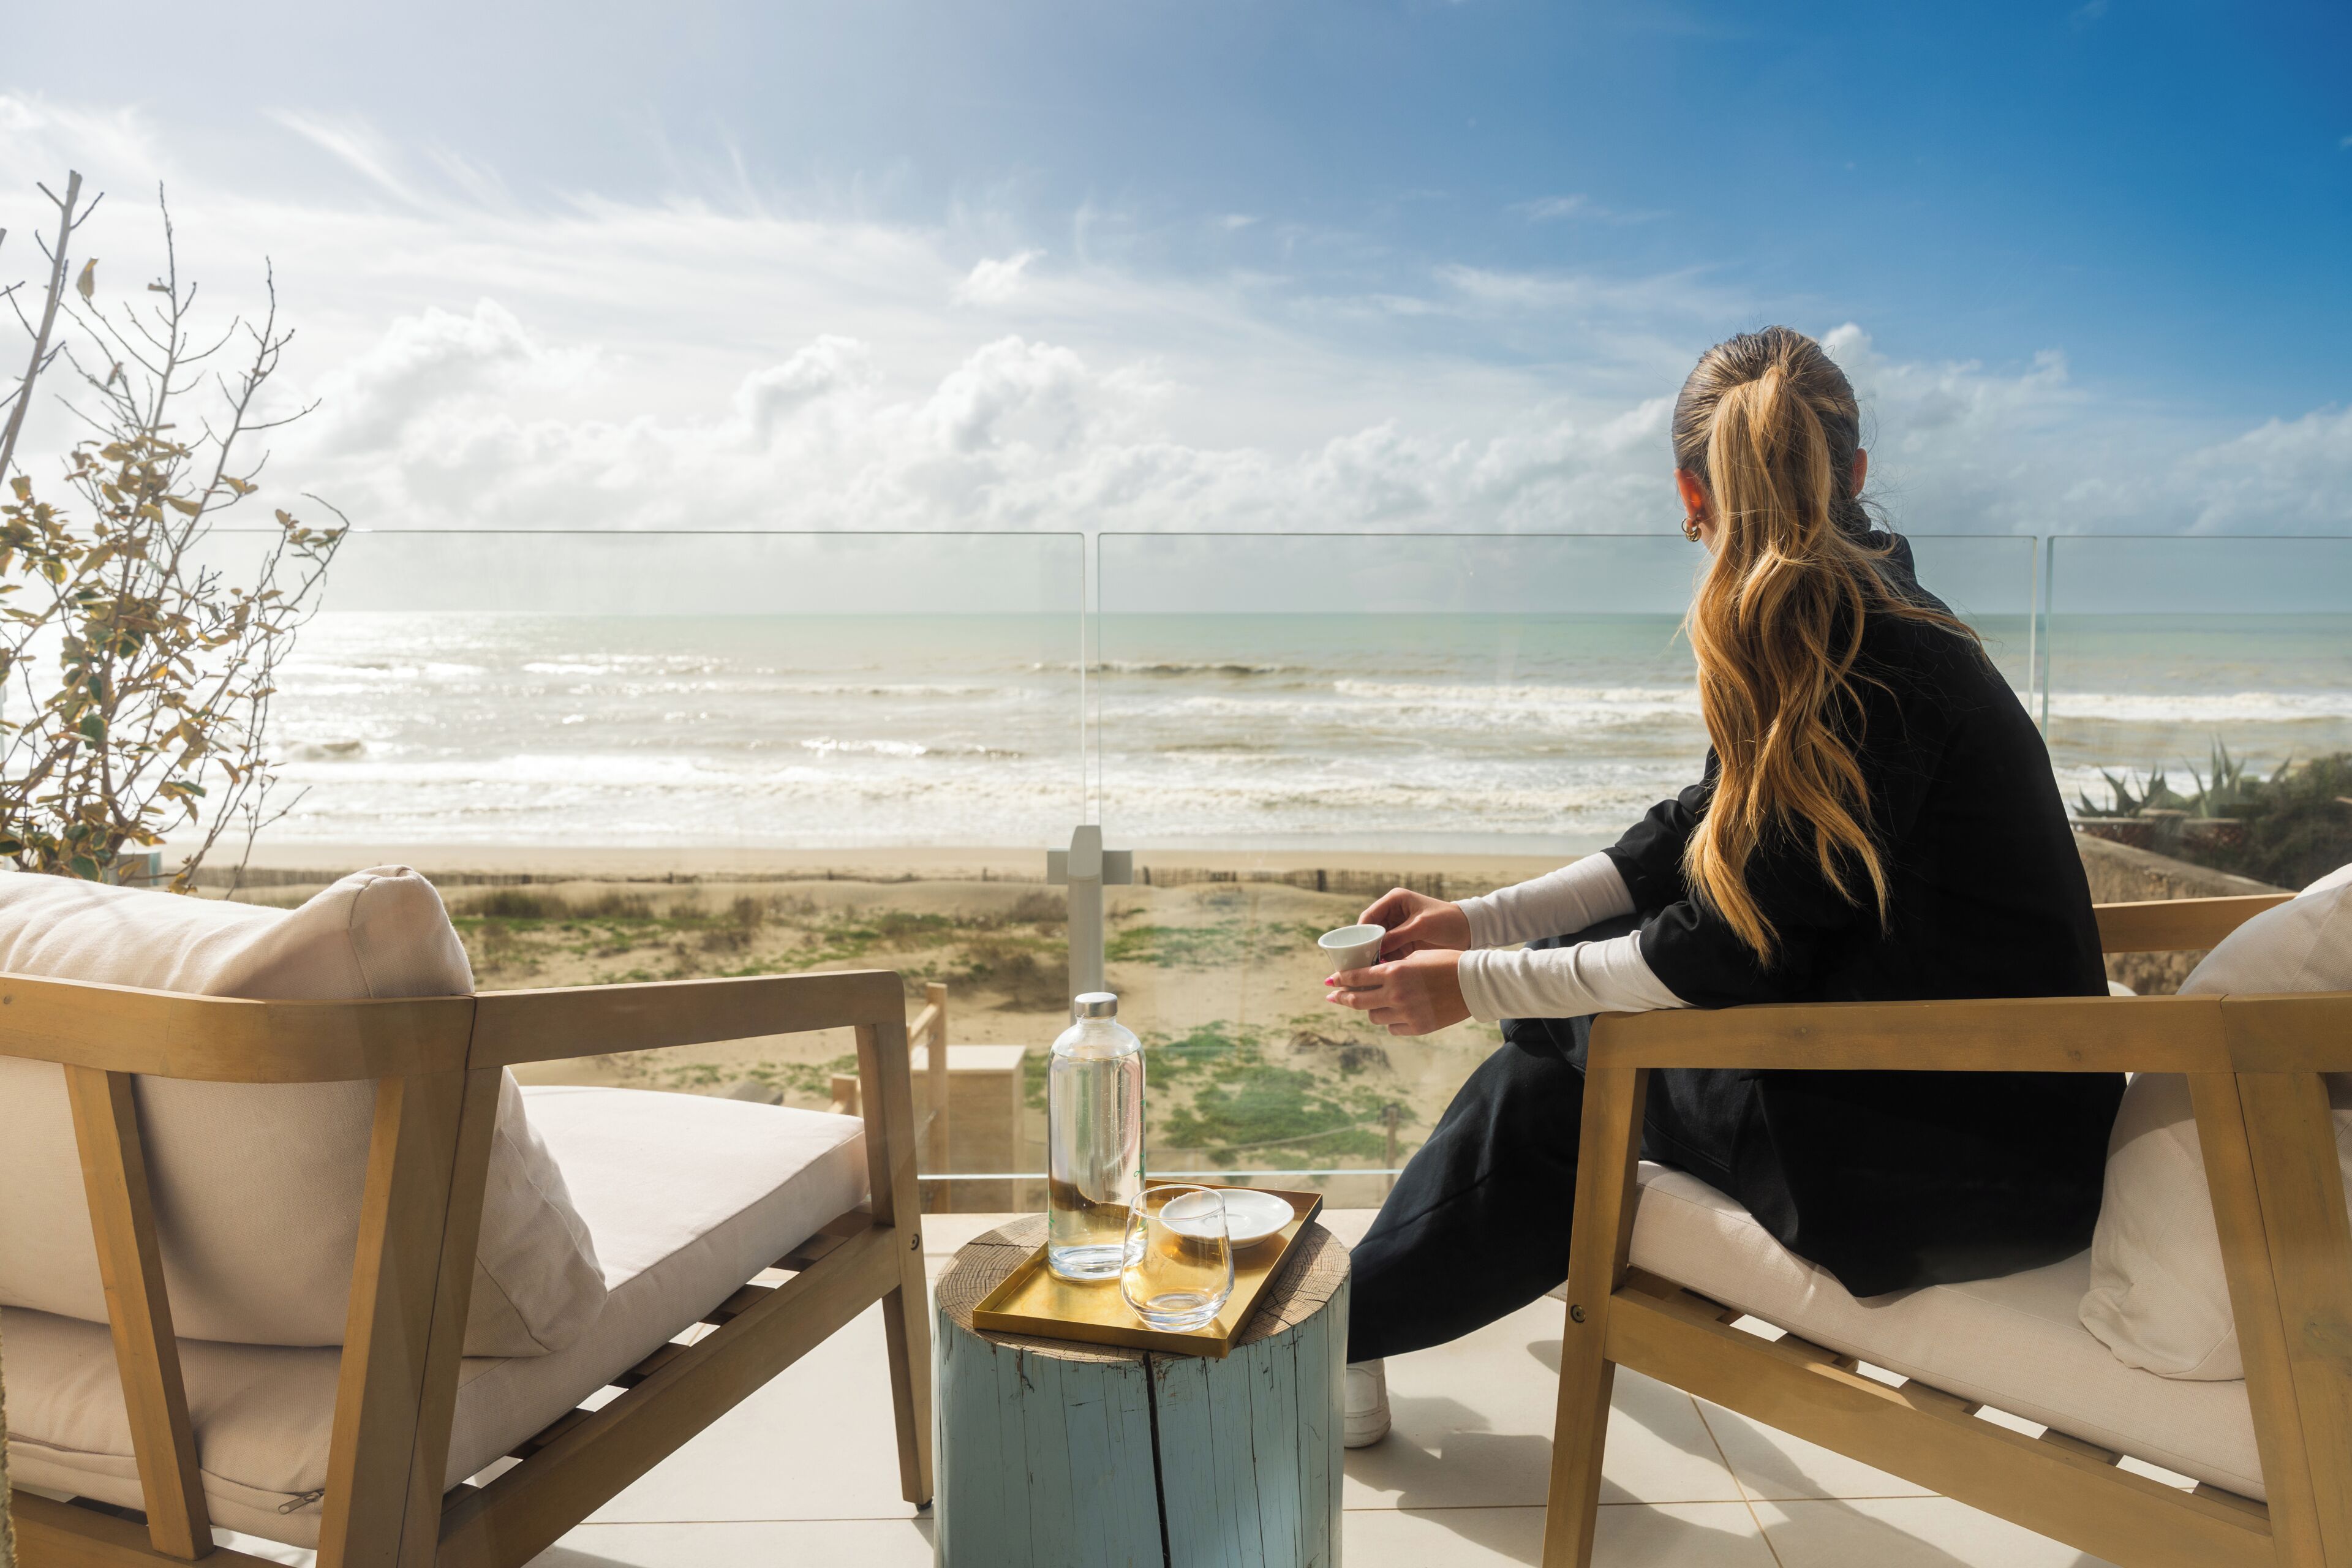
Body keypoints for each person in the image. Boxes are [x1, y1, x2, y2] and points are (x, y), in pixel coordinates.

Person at [1322, 326, 2116, 1449]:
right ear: (1856, 474)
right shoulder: (1873, 624)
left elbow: (1719, 950)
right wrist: (1477, 925)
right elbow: (1693, 836)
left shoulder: (1860, 659)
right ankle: (1353, 1330)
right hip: (1986, 1112)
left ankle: (1336, 1335)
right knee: (1559, 1045)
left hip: (1945, 1165)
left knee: (1557, 1061)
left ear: (1690, 493)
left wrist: (1478, 983)